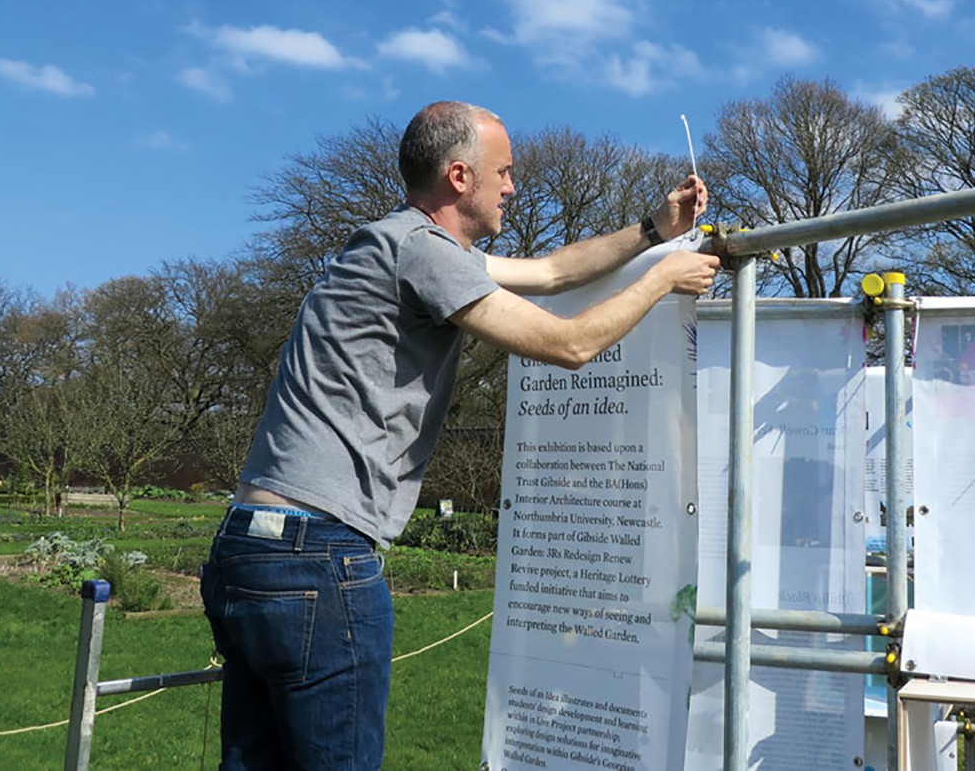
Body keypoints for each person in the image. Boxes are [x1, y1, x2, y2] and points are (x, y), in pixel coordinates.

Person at [199, 100, 720, 770]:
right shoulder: (423, 252)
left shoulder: (396, 242)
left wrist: (654, 228)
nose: (513, 185)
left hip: (248, 546)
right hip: (316, 556)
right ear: (458, 176)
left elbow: (554, 272)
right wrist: (665, 278)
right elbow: (567, 343)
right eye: (502, 171)